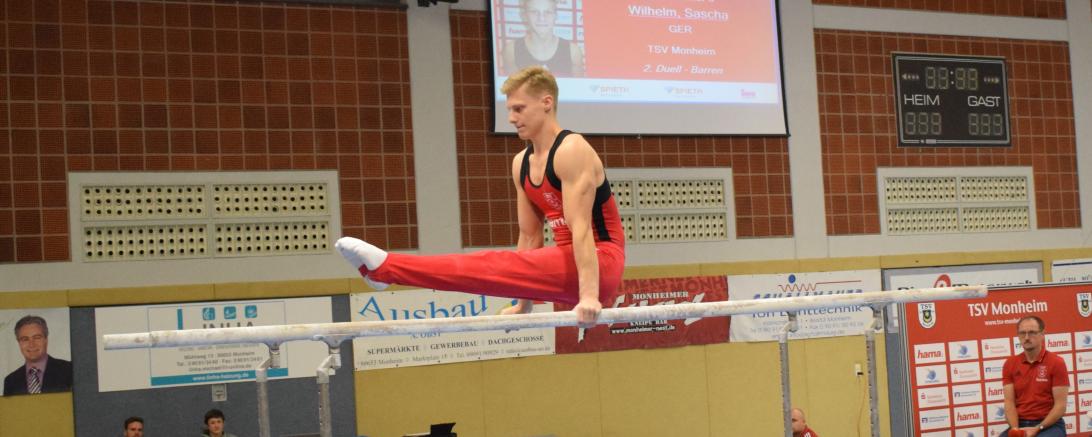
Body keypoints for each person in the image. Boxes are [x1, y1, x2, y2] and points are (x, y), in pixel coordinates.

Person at [337, 66, 624, 328]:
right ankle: (384, 273)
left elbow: (582, 231)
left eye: (519, 108)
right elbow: (529, 238)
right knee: (500, 265)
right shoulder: (520, 163)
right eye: (510, 109)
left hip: (601, 262)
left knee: (493, 263)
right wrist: (523, 304)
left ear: (546, 103)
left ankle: (387, 269)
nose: (512, 118)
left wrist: (589, 296)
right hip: (568, 262)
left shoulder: (572, 150)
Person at [1000, 315, 1068, 437]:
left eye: (1032, 333)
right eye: (1022, 333)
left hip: (1049, 425)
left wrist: (1038, 428)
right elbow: (1009, 403)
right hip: (1019, 423)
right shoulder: (1010, 363)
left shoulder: (1057, 362)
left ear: (1042, 335)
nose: (1026, 337)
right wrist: (1016, 430)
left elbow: (1060, 406)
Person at [502, 0, 585, 77]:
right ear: (525, 16)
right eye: (534, 12)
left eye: (548, 12)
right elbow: (512, 90)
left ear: (555, 16)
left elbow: (578, 89)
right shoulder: (511, 51)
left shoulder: (573, 51)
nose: (541, 18)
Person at [3, 315, 73, 396]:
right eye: (25, 339)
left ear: (46, 339)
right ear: (19, 343)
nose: (31, 344)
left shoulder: (69, 370)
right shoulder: (10, 381)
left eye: (37, 337)